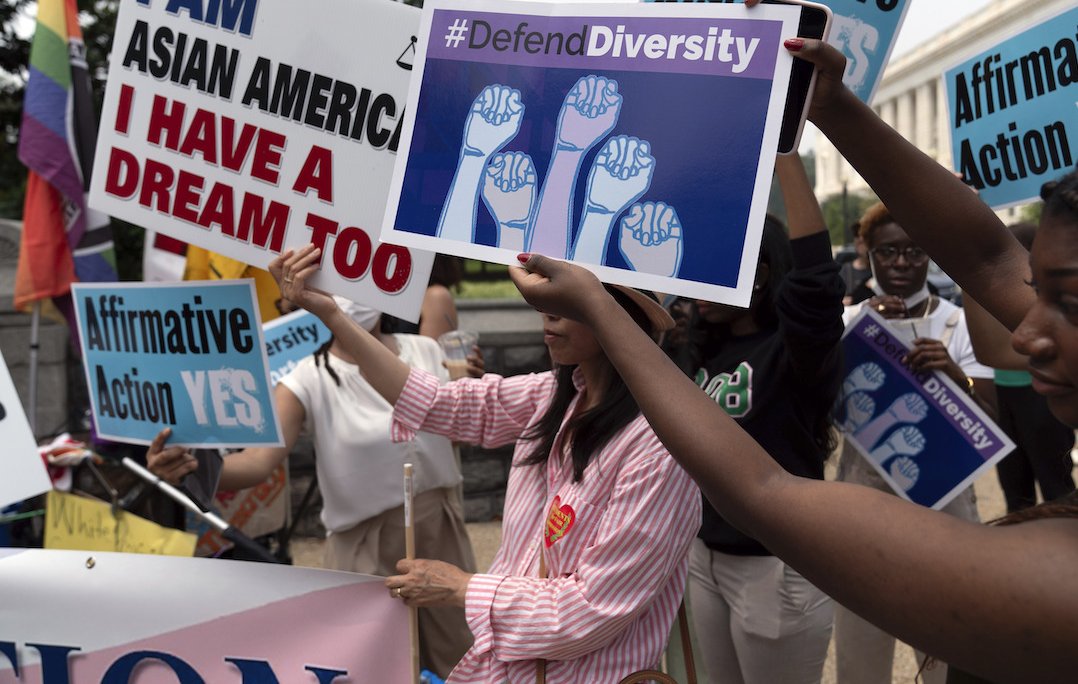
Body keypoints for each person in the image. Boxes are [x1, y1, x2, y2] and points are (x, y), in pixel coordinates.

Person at [503, 0, 1078, 683]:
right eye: (1038, 292)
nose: (1025, 335)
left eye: (1073, 304)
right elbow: (989, 256)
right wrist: (833, 106)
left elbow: (766, 491)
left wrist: (601, 311)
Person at [271, 245, 701, 684]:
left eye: (566, 301)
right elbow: (436, 402)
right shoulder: (552, 396)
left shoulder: (659, 448)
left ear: (619, 314)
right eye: (543, 298)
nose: (546, 314)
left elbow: (587, 611)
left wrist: (462, 587)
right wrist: (332, 315)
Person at [146, 296, 478, 679]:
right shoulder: (307, 377)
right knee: (370, 666)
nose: (352, 297)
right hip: (363, 547)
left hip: (440, 528)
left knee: (461, 657)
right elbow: (257, 462)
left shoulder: (427, 349)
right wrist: (191, 467)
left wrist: (471, 389)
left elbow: (459, 434)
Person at [680, 153, 843, 684]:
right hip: (704, 556)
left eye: (717, 269)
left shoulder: (793, 352)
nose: (699, 284)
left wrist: (787, 156)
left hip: (776, 566)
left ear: (760, 276)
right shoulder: (698, 347)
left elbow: (817, 277)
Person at [835, 201, 996, 684]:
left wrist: (951, 373)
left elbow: (989, 416)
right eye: (888, 252)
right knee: (861, 638)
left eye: (913, 251)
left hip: (944, 493)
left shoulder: (959, 323)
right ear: (870, 253)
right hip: (865, 496)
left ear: (929, 256)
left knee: (945, 635)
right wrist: (860, 337)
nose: (901, 263)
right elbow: (820, 402)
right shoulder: (846, 322)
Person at [963, 223, 1077, 512]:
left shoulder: (1049, 302)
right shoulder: (995, 293)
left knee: (1057, 490)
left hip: (1039, 398)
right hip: (1006, 396)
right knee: (1016, 495)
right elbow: (993, 350)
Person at [840, 220, 872, 305]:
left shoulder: (884, 273)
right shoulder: (841, 272)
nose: (861, 238)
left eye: (865, 234)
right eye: (857, 234)